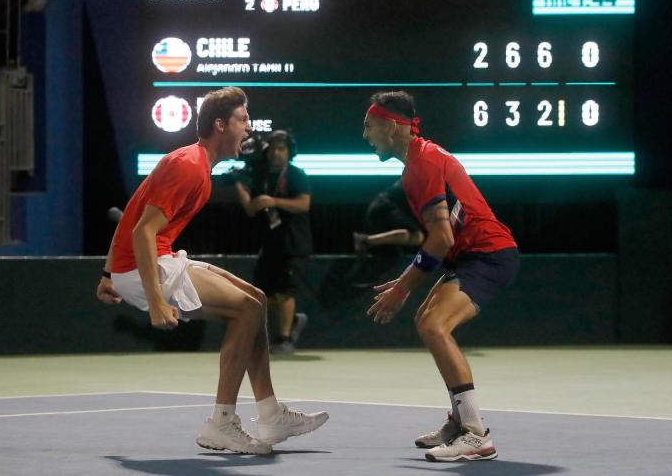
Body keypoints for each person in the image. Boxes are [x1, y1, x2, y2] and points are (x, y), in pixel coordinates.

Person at [95, 87, 328, 455]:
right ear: (220, 125)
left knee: (256, 299)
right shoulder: (189, 166)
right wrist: (155, 301)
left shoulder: (195, 163)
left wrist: (109, 274)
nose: (249, 128)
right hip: (146, 266)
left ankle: (270, 413)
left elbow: (135, 209)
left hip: (145, 262)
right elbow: (143, 230)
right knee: (246, 310)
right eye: (243, 119)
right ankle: (222, 423)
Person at [362, 91, 519, 463]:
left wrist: (402, 289)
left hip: (488, 255)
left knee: (434, 326)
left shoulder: (424, 163)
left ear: (391, 126)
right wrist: (404, 281)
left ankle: (476, 434)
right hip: (466, 257)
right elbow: (439, 237)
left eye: (369, 126)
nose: (365, 135)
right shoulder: (417, 164)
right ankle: (458, 421)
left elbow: (441, 237)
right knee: (427, 323)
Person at [235, 130, 313, 355]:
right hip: (269, 242)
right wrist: (241, 188)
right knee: (264, 292)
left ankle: (285, 339)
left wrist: (273, 201)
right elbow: (251, 209)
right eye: (274, 149)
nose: (276, 153)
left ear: (289, 152)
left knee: (283, 291)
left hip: (291, 241)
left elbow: (304, 204)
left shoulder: (297, 174)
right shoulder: (261, 177)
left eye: (282, 149)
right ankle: (293, 321)